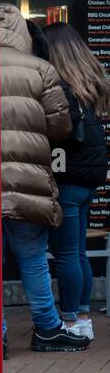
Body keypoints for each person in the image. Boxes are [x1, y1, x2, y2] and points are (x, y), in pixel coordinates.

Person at [0, 3, 88, 353]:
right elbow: (60, 127)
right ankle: (48, 328)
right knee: (33, 257)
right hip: (28, 180)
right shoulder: (42, 69)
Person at [44, 22, 110, 340]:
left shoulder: (61, 87)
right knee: (79, 251)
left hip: (68, 178)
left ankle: (71, 321)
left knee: (68, 254)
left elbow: (56, 131)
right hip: (88, 178)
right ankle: (83, 315)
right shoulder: (89, 81)